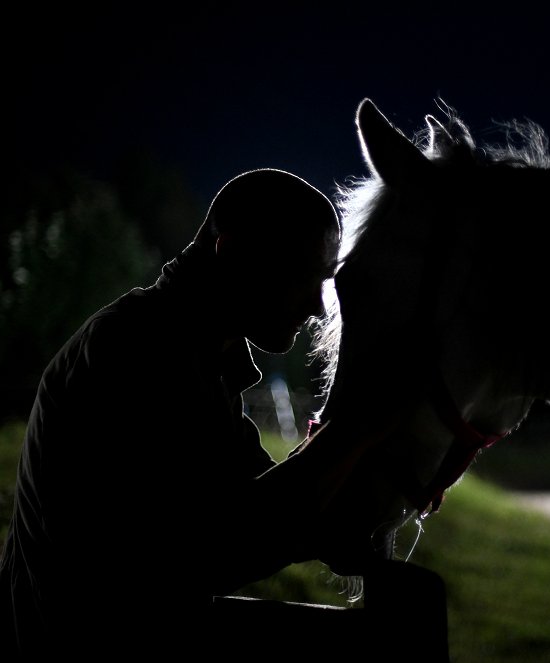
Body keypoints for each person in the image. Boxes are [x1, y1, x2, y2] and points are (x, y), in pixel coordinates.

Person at [0, 168, 449, 660]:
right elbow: (218, 546)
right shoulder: (134, 351)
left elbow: (287, 511)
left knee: (412, 616)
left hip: (151, 628)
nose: (320, 310)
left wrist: (395, 473)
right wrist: (353, 430)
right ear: (232, 255)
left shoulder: (203, 360)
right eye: (304, 277)